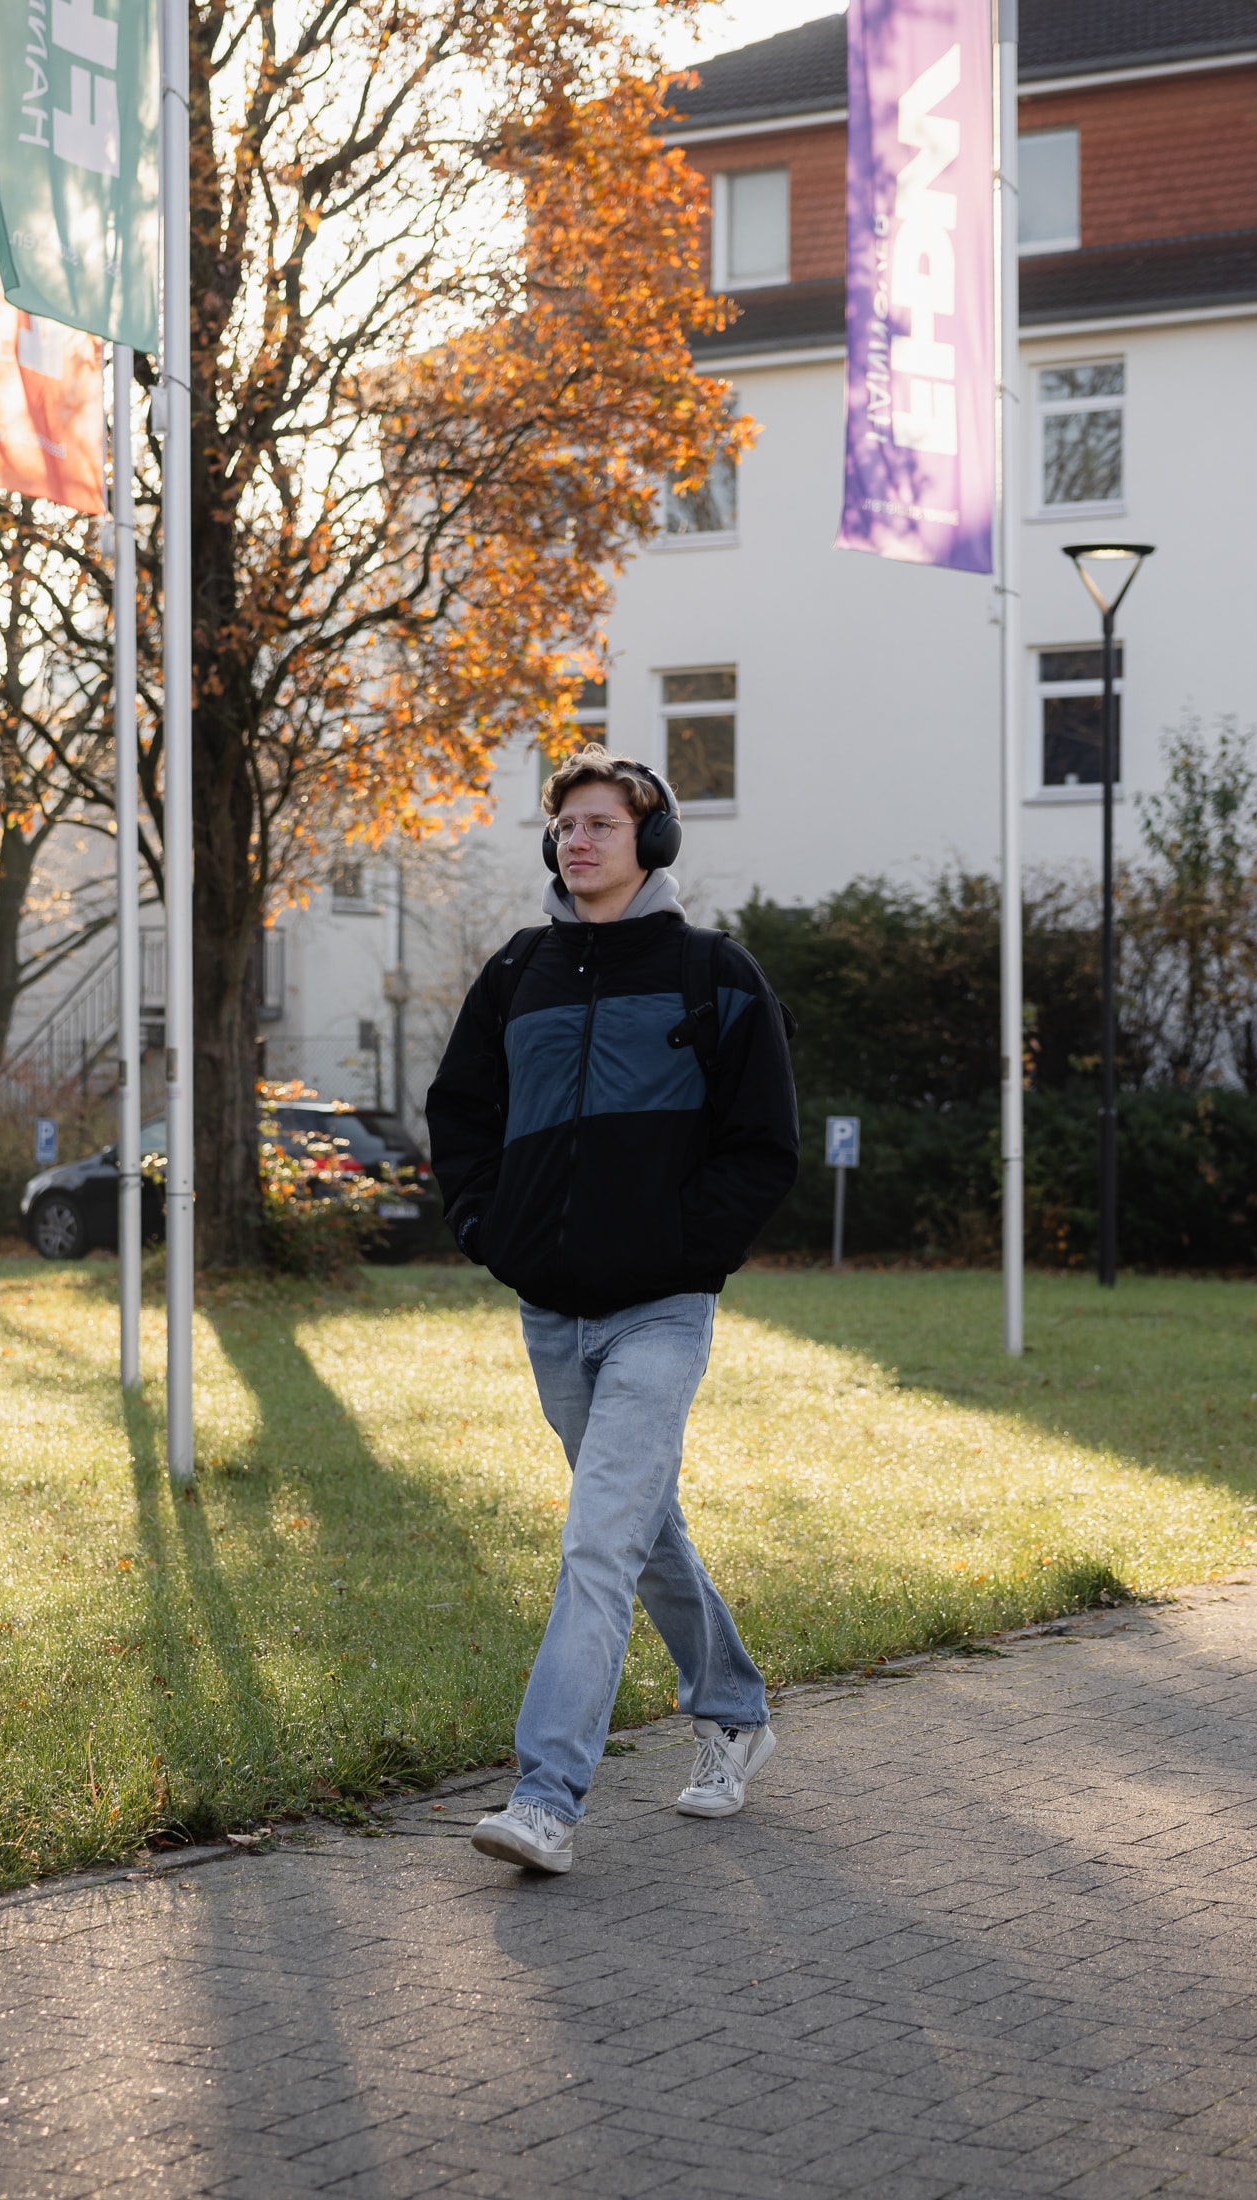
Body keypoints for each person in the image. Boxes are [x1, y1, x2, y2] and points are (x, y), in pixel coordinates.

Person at [426, 743, 800, 1875]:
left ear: (652, 841)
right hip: (552, 1311)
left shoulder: (712, 973)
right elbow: (458, 1113)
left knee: (595, 1537)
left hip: (659, 1311)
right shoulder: (517, 973)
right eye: (565, 825)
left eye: (600, 823)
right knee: (637, 1534)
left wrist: (685, 1248)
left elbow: (761, 1144)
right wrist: (493, 1231)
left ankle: (546, 1796)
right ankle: (733, 1709)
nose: (577, 840)